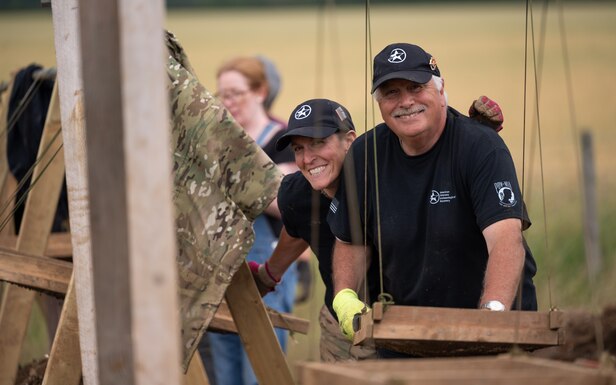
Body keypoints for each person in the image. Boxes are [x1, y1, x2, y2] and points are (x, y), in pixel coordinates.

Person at [249, 92, 508, 362]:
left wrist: (475, 131)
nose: (307, 158)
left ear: (349, 140)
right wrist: (271, 273)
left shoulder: (388, 174)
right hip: (342, 324)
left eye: (318, 143)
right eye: (299, 149)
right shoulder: (296, 194)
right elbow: (297, 229)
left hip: (408, 319)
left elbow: (432, 153)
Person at [327, 43, 538, 353]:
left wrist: (492, 314)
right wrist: (344, 296)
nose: (406, 102)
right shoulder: (364, 154)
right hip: (405, 335)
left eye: (416, 87)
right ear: (379, 102)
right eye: (391, 93)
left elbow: (506, 238)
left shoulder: (480, 147)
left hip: (492, 337)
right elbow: (350, 240)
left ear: (441, 90)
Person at [202, 56, 299, 385]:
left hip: (267, 267)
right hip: (219, 266)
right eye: (222, 95)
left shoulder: (283, 140)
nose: (228, 103)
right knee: (224, 371)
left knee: (261, 368)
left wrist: (231, 175)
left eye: (236, 94)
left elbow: (286, 203)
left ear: (260, 92)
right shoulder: (215, 141)